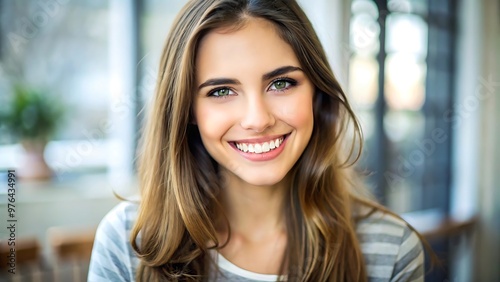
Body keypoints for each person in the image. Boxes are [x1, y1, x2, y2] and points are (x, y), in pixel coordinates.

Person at [88, 0, 425, 281]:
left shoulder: (391, 250)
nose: (258, 119)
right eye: (221, 91)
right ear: (188, 110)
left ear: (316, 92)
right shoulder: (127, 241)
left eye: (280, 83)